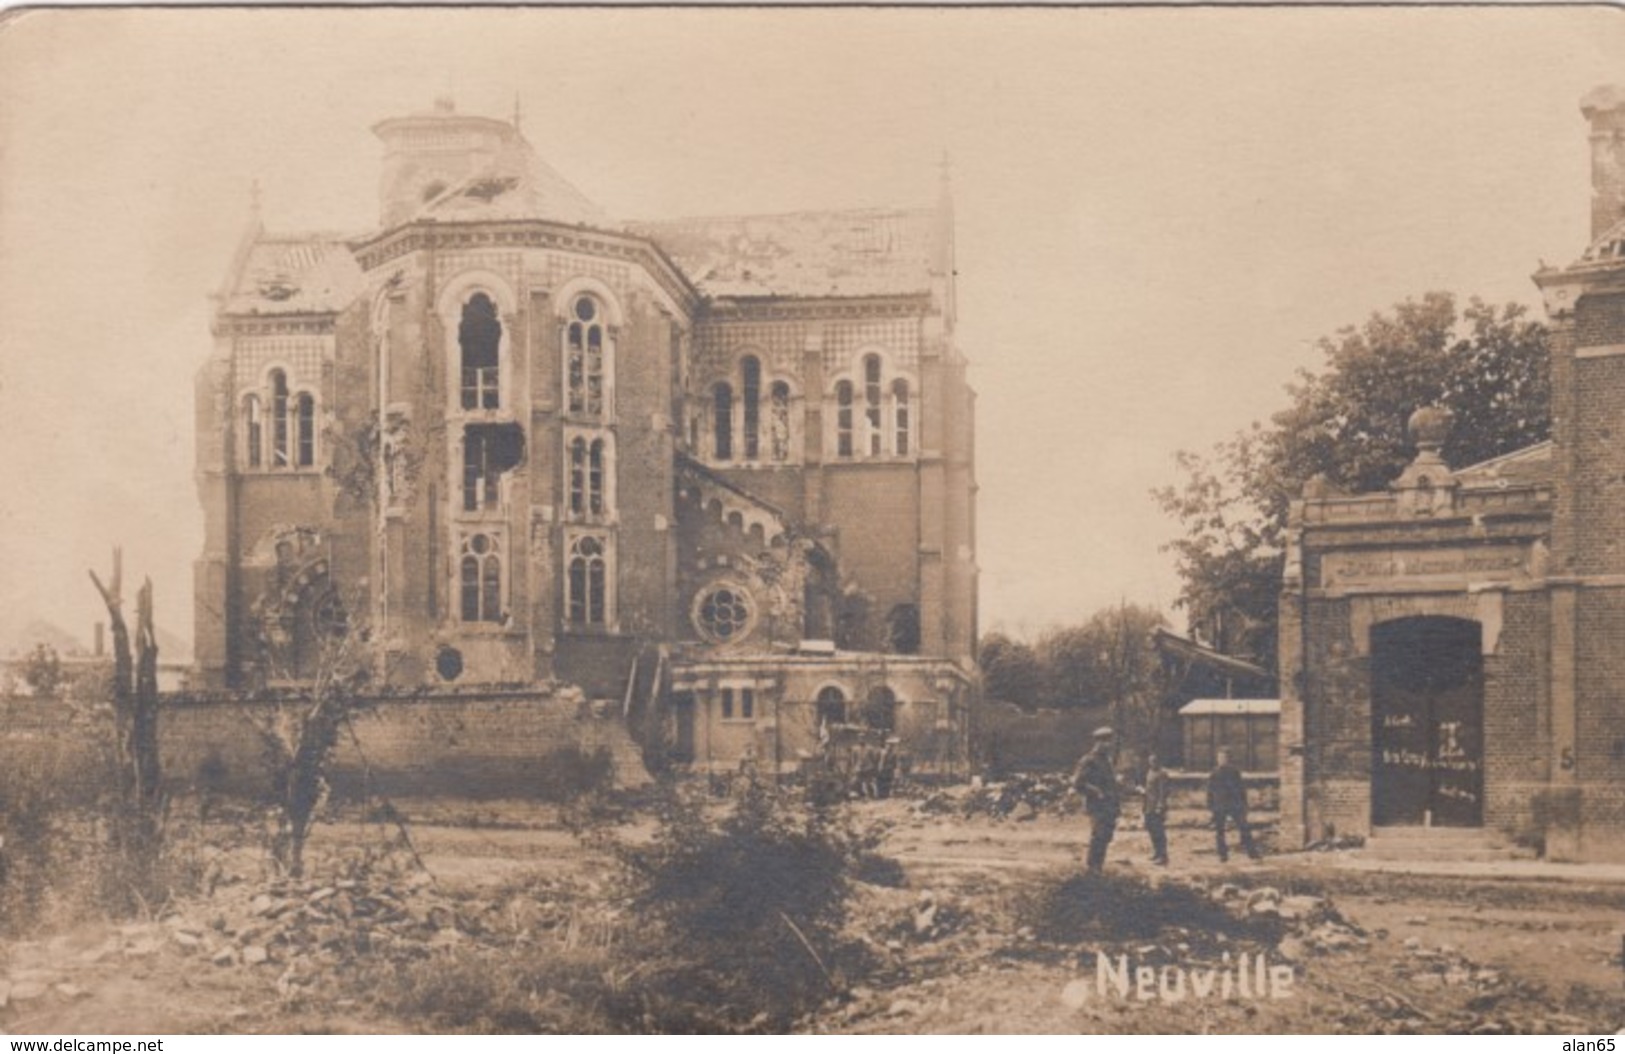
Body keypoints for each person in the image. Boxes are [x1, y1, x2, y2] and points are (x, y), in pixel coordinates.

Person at [1071, 726, 1121, 874]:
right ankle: (1093, 867)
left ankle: (1098, 866)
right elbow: (1078, 783)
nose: (1109, 745)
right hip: (1097, 805)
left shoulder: (1106, 760)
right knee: (1099, 835)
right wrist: (1096, 792)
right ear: (1098, 743)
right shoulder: (1089, 760)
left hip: (1109, 804)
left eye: (1110, 742)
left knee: (1106, 835)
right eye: (1106, 742)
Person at [1207, 748, 1260, 862]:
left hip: (1234, 804)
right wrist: (1211, 806)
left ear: (1228, 759)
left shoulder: (1234, 772)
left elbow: (1241, 789)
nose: (1221, 760)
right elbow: (1210, 791)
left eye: (1224, 758)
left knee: (1244, 827)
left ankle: (1252, 853)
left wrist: (1244, 804)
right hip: (1219, 805)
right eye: (1219, 758)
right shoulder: (1214, 773)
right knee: (1219, 831)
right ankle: (1222, 855)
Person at [1142, 753, 1170, 866]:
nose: (1152, 763)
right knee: (1151, 830)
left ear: (1158, 762)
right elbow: (1149, 789)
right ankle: (1157, 853)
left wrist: (1160, 806)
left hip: (1157, 807)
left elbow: (1164, 792)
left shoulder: (1162, 774)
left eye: (1154, 761)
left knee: (1159, 832)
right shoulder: (1150, 772)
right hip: (1148, 806)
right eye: (1150, 761)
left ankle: (1163, 856)